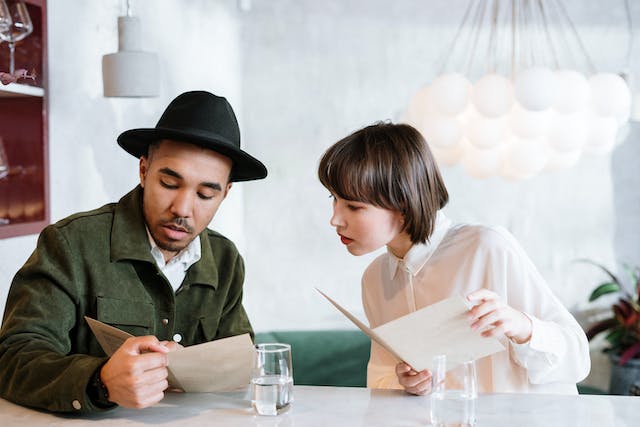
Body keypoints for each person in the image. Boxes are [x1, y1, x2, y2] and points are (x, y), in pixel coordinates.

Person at [0, 91, 267, 413]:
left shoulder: (226, 260)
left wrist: (194, 366)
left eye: (205, 194)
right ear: (143, 171)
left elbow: (237, 361)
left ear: (225, 194)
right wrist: (99, 381)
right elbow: (13, 358)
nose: (182, 208)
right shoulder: (71, 244)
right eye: (169, 183)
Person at [317, 121, 590, 395]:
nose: (335, 219)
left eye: (353, 206)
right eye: (334, 199)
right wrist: (406, 383)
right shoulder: (375, 279)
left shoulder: (487, 247)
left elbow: (577, 359)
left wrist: (522, 327)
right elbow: (380, 382)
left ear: (402, 202)